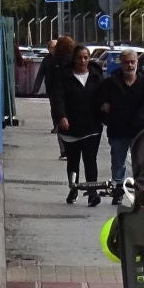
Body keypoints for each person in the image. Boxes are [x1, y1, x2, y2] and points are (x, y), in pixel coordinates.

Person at [95, 47, 144, 205]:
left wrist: (140, 121)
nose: (129, 66)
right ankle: (118, 192)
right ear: (121, 63)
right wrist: (107, 114)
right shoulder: (111, 82)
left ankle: (140, 193)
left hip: (140, 131)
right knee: (118, 163)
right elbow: (100, 103)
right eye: (126, 63)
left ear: (137, 62)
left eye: (132, 62)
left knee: (141, 163)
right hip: (118, 131)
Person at [53, 45, 104, 205]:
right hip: (71, 126)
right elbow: (58, 98)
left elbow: (104, 95)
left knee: (90, 160)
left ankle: (92, 193)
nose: (83, 61)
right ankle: (73, 188)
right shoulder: (64, 76)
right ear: (74, 59)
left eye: (86, 57)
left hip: (92, 126)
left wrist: (105, 107)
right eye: (79, 57)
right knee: (73, 161)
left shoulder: (96, 76)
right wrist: (61, 116)